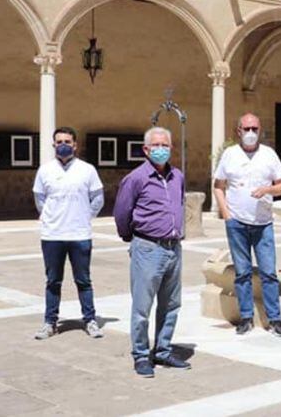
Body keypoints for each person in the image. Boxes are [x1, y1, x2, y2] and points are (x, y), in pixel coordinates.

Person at [114, 127, 189, 377]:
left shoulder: (177, 176)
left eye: (165, 145)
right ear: (146, 150)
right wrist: (132, 239)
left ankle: (164, 349)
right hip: (148, 248)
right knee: (142, 306)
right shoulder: (136, 178)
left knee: (171, 304)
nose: (161, 149)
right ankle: (141, 354)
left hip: (173, 248)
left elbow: (179, 204)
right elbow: (122, 213)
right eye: (156, 145)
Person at [213, 113, 281, 337]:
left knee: (268, 272)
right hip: (236, 223)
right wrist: (226, 214)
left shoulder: (269, 155)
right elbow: (218, 185)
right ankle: (246, 318)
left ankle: (275, 320)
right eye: (246, 129)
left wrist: (267, 190)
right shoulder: (229, 155)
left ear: (260, 130)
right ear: (238, 131)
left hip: (263, 224)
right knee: (242, 273)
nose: (250, 133)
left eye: (254, 129)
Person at [32, 127, 105, 340]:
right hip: (52, 235)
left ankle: (90, 320)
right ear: (53, 144)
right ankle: (50, 322)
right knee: (53, 281)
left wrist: (84, 216)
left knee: (83, 280)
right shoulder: (45, 171)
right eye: (59, 141)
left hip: (80, 234)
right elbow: (40, 199)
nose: (63, 144)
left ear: (75, 144)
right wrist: (50, 217)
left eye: (67, 141)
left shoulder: (87, 170)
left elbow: (97, 197)